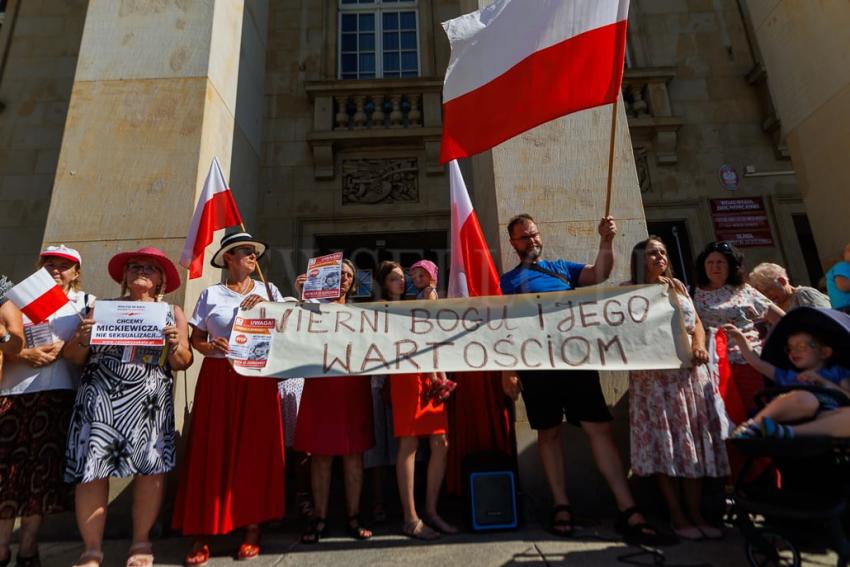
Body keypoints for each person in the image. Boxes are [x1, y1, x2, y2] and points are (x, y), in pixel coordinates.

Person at [499, 213, 665, 545]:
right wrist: (508, 369)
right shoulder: (506, 282)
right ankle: (562, 506)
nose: (531, 240)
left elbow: (598, 274)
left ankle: (627, 507)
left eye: (534, 234)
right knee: (548, 434)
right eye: (523, 237)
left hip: (576, 360)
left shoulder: (563, 268)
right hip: (536, 366)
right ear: (513, 243)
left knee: (598, 429)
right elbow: (502, 325)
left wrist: (606, 240)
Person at [63, 247, 192, 567]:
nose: (141, 271)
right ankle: (91, 549)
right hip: (99, 399)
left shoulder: (172, 313)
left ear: (162, 279)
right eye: (135, 266)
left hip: (148, 402)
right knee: (91, 473)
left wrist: (175, 344)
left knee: (150, 470)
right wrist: (81, 336)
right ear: (123, 275)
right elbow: (74, 358)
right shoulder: (99, 308)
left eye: (150, 268)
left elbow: (183, 362)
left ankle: (141, 543)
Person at [172, 232, 286, 565]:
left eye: (254, 253)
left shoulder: (269, 290)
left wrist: (268, 306)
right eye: (245, 252)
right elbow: (197, 338)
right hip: (219, 378)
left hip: (257, 379)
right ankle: (203, 530)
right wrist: (210, 346)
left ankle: (252, 527)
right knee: (212, 448)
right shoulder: (211, 294)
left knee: (253, 449)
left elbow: (289, 327)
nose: (252, 257)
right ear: (228, 259)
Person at [626, 237, 730, 541]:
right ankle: (676, 513)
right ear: (637, 260)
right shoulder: (628, 291)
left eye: (662, 252)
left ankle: (695, 511)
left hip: (687, 378)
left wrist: (699, 344)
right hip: (654, 382)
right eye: (651, 253)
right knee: (666, 447)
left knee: (691, 446)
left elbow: (695, 320)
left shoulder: (677, 286)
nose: (659, 257)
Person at [0, 247, 94, 567]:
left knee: (41, 479)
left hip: (58, 394)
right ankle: (0, 548)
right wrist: (24, 355)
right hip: (12, 393)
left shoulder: (86, 304)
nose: (56, 269)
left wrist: (70, 346)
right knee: (6, 475)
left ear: (76, 272)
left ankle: (28, 547)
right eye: (49, 263)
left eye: (64, 265)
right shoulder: (16, 298)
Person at [294, 259, 375, 544]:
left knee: (354, 455)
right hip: (320, 387)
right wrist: (302, 298)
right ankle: (320, 518)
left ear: (353, 282)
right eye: (338, 273)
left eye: (349, 274)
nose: (343, 278)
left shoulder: (362, 312)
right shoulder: (309, 308)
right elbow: (292, 333)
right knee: (321, 455)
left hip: (353, 386)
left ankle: (354, 517)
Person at [379, 261, 456, 540]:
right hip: (407, 375)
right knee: (409, 442)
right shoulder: (384, 308)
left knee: (441, 442)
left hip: (430, 374)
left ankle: (432, 512)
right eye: (394, 279)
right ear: (384, 284)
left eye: (405, 278)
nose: (403, 282)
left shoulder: (423, 298)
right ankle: (411, 518)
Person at [692, 241, 784, 421]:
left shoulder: (744, 290)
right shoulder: (691, 294)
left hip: (748, 363)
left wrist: (768, 345)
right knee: (726, 418)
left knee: (755, 414)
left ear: (731, 266)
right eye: (710, 262)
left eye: (720, 262)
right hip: (713, 367)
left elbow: (781, 319)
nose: (715, 267)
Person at [726, 326, 850, 439]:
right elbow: (758, 363)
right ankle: (753, 426)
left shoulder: (838, 374)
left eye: (801, 346)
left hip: (824, 419)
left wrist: (824, 382)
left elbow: (847, 397)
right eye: (789, 348)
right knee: (807, 400)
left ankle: (788, 432)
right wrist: (741, 340)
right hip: (793, 414)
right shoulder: (789, 376)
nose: (793, 352)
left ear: (824, 352)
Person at [748, 262, 830, 311]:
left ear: (782, 281)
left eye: (768, 290)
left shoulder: (804, 295)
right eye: (762, 293)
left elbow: (826, 319)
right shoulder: (773, 306)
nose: (766, 296)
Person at [826, 243, 850, 314]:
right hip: (845, 308)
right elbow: (843, 286)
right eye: (849, 250)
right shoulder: (842, 266)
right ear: (843, 255)